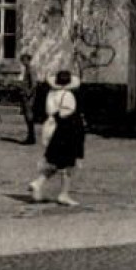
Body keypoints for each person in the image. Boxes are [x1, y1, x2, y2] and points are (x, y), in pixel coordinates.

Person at [29, 70, 84, 206]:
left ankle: (38, 183)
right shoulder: (68, 96)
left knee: (55, 160)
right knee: (67, 163)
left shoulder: (51, 94)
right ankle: (64, 194)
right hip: (64, 130)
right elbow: (68, 115)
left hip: (50, 126)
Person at [19, 55, 39, 144]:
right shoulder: (27, 70)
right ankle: (30, 137)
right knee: (27, 118)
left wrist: (28, 94)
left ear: (28, 60)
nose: (22, 62)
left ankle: (31, 138)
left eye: (24, 60)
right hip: (26, 97)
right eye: (22, 60)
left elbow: (34, 84)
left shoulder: (31, 69)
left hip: (29, 98)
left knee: (29, 117)